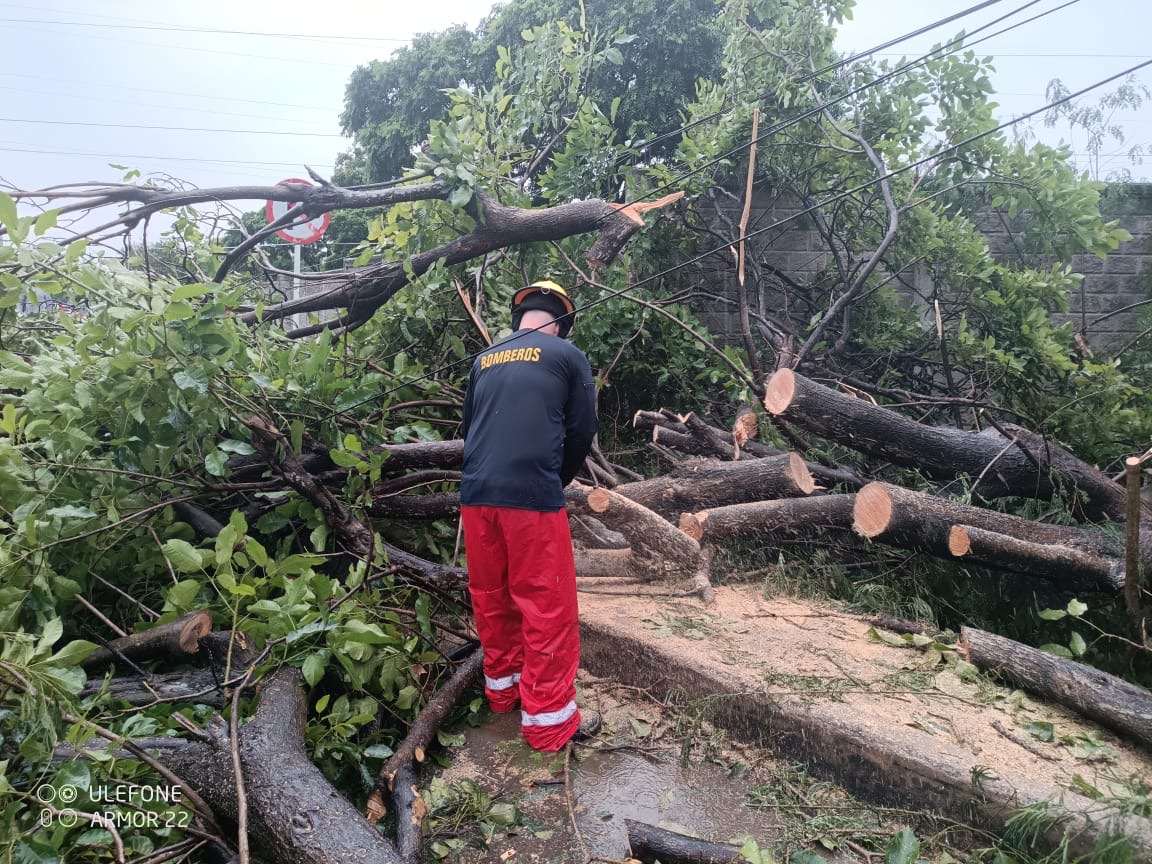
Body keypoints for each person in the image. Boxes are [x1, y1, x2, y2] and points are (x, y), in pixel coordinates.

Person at [460, 280, 600, 751]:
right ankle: (548, 725)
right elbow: (583, 430)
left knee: (492, 596)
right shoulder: (566, 356)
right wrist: (553, 479)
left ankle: (503, 696)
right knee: (546, 607)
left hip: (477, 497)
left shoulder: (484, 359)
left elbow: (469, 428)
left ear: (521, 318)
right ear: (560, 323)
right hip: (531, 499)